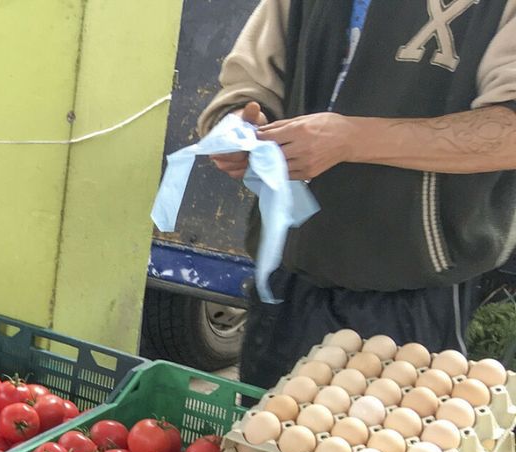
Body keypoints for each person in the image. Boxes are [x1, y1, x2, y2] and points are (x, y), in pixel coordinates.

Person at [199, 0, 516, 388]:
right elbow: (251, 80)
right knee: (256, 439)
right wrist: (235, 127)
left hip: (412, 282)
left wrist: (351, 139)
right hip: (289, 272)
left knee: (385, 442)